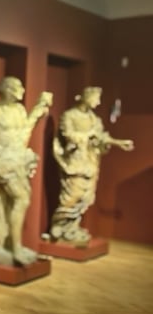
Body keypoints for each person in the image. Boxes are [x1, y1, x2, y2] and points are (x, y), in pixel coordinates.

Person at [0, 76, 52, 266]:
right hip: (1, 162)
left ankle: (9, 245)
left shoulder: (20, 110)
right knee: (21, 199)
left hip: (17, 159)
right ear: (7, 89)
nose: (22, 90)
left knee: (11, 202)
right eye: (18, 87)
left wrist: (37, 112)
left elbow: (23, 135)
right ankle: (15, 247)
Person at [49, 86, 133, 244]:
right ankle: (59, 227)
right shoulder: (69, 115)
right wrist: (88, 136)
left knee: (84, 197)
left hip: (90, 161)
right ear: (86, 97)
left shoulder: (95, 119)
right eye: (96, 98)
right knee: (72, 196)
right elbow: (68, 135)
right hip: (75, 162)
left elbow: (101, 138)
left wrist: (118, 143)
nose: (98, 102)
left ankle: (72, 228)